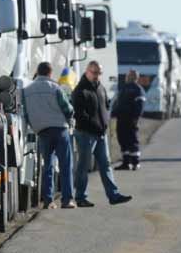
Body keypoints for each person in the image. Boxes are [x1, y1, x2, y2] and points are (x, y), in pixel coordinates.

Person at [71, 61, 134, 207]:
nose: (97, 76)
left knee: (106, 165)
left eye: (99, 73)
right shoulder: (80, 91)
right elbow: (80, 115)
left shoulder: (100, 88)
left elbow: (105, 107)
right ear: (87, 71)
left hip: (100, 134)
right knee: (83, 166)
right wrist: (96, 126)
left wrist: (104, 126)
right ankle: (80, 197)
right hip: (86, 134)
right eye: (94, 73)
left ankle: (113, 195)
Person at [21, 62, 75, 208]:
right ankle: (67, 200)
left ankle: (48, 200)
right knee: (65, 165)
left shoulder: (26, 90)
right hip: (60, 130)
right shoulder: (55, 88)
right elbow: (68, 109)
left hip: (42, 131)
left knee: (47, 166)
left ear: (38, 72)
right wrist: (70, 118)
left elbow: (25, 112)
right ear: (50, 73)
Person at [113, 69, 147, 170]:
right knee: (122, 139)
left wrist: (136, 117)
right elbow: (118, 102)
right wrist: (114, 113)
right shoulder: (124, 88)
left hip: (131, 119)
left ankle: (135, 162)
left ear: (135, 77)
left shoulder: (138, 89)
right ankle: (126, 162)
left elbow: (140, 104)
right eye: (128, 75)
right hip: (121, 118)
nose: (127, 77)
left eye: (130, 76)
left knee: (132, 139)